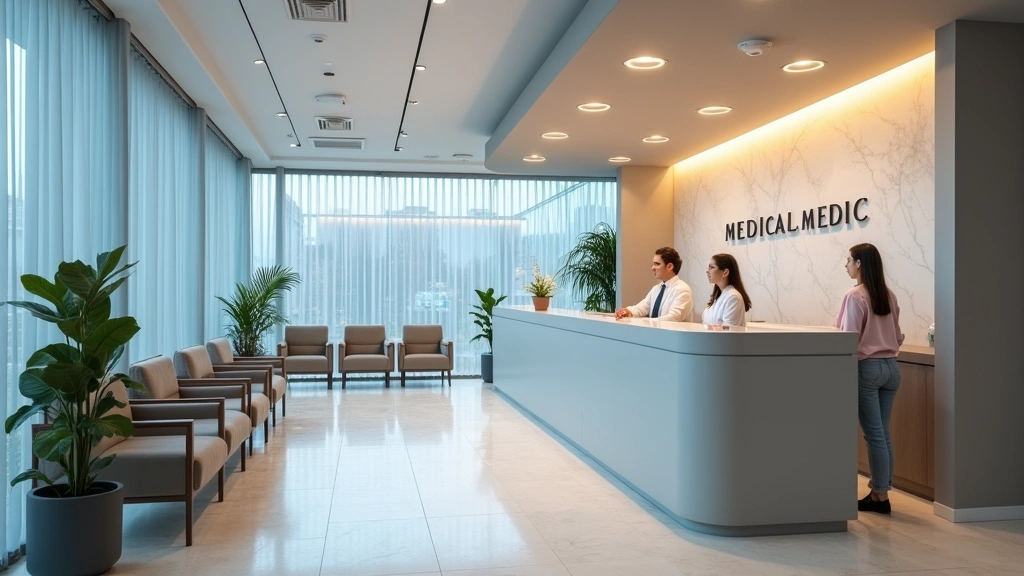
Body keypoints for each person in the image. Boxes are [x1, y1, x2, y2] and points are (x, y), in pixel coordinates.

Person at [835, 243, 904, 515]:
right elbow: (898, 336)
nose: (846, 265)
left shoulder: (855, 296)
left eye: (848, 260)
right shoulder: (890, 295)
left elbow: (848, 337)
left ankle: (880, 496)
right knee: (882, 433)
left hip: (868, 368)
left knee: (874, 434)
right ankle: (880, 492)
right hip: (892, 368)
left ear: (860, 263)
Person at [614, 247, 693, 322]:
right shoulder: (656, 289)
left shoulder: (683, 290)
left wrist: (647, 321)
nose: (653, 268)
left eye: (657, 264)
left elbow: (673, 317)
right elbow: (643, 307)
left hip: (670, 335)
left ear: (669, 266)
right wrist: (628, 311)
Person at [701, 253, 751, 327]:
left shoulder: (733, 297)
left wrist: (706, 329)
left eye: (712, 267)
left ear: (725, 272)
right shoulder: (718, 297)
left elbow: (728, 329)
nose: (708, 271)